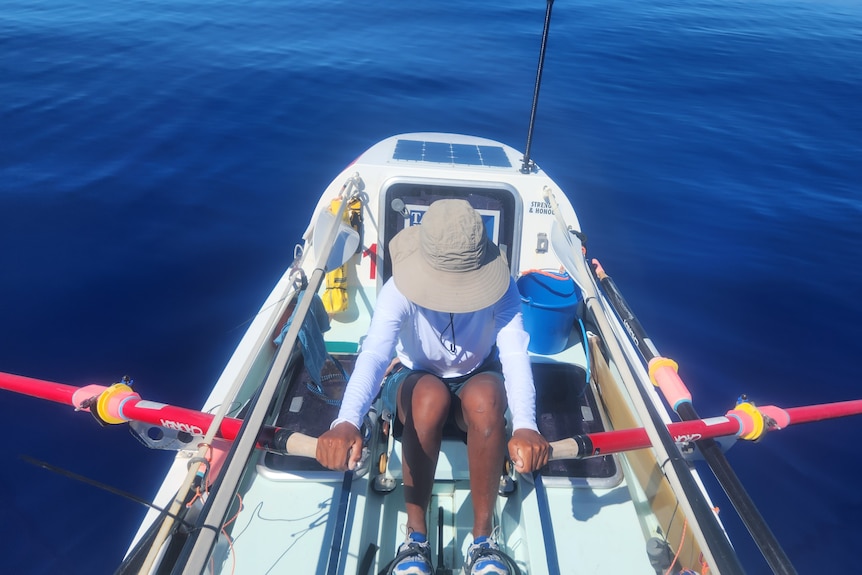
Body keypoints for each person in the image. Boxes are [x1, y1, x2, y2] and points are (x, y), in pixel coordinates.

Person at [316, 199, 549, 575]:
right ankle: (415, 537)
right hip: (413, 378)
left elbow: (515, 355)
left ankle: (483, 540)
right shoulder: (398, 290)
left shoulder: (504, 289)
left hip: (477, 376)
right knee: (428, 399)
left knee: (487, 401)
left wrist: (525, 424)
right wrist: (346, 421)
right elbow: (376, 356)